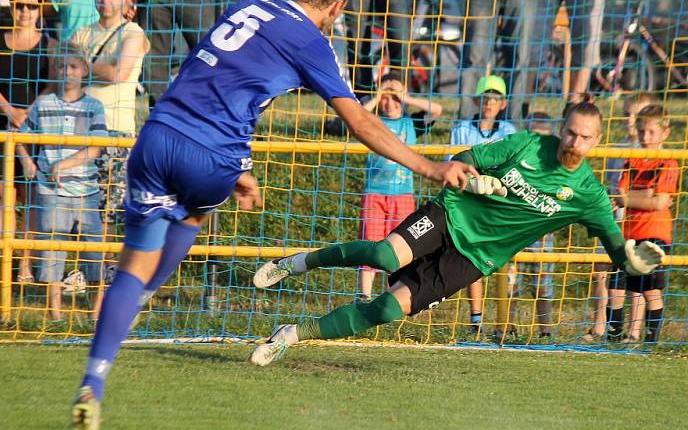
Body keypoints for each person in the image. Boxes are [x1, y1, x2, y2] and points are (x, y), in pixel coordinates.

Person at [67, 0, 477, 430]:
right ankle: (148, 291)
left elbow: (212, 77)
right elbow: (361, 123)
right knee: (191, 216)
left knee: (133, 266)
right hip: (212, 157)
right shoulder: (312, 40)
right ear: (336, 6)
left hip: (155, 137)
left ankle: (94, 382)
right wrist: (431, 168)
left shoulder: (248, 6)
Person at [250, 102, 667, 365]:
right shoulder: (527, 145)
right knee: (382, 256)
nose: (575, 141)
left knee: (387, 311)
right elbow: (466, 157)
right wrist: (473, 177)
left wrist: (631, 260)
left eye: (585, 137)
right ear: (562, 128)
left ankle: (291, 335)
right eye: (571, 131)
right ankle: (298, 262)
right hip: (450, 215)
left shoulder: (589, 195)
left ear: (597, 142)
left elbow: (616, 249)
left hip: (473, 259)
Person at [70, 0, 150, 286]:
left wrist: (83, 66)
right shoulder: (82, 32)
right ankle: (87, 268)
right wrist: (88, 68)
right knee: (77, 204)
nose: (106, 0)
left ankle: (105, 270)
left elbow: (120, 71)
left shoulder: (133, 33)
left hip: (116, 132)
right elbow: (63, 71)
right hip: (78, 129)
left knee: (109, 210)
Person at [16, 45, 108, 323]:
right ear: (54, 71)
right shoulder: (44, 105)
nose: (67, 72)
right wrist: (27, 162)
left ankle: (96, 315)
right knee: (52, 254)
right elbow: (20, 135)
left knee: (94, 255)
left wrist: (63, 165)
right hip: (50, 192)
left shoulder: (93, 106)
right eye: (61, 67)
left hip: (86, 191)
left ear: (84, 70)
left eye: (73, 67)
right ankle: (54, 315)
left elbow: (96, 148)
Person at [0, 0, 58, 283]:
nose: (24, 12)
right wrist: (8, 110)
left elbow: (53, 85)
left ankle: (25, 264)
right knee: (3, 193)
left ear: (39, 9)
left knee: (29, 195)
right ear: (12, 7)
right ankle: (4, 262)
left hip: (33, 126)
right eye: (19, 6)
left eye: (30, 6)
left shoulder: (49, 44)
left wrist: (28, 113)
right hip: (1, 122)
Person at [358, 72, 442, 300]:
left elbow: (437, 110)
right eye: (386, 96)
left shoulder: (411, 122)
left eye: (395, 96)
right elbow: (357, 116)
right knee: (371, 244)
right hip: (375, 193)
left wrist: (406, 96)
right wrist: (378, 95)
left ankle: (393, 296)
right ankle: (363, 297)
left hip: (402, 195)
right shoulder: (373, 122)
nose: (390, 101)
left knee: (401, 247)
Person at [583, 92, 657, 342]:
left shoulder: (652, 153)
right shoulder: (618, 147)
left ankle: (634, 331)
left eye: (638, 115)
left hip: (637, 219)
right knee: (602, 270)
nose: (631, 120)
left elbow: (650, 191)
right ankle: (601, 326)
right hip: (613, 213)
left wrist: (627, 198)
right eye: (627, 114)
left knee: (636, 271)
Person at [449, 75, 517, 333]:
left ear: (503, 103)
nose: (489, 103)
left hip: (500, 203)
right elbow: (452, 165)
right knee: (472, 260)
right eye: (485, 98)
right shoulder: (462, 130)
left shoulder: (509, 132)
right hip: (471, 201)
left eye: (495, 98)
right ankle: (476, 320)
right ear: (479, 100)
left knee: (506, 264)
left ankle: (505, 321)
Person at [606, 105, 677, 343]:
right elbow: (620, 192)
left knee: (649, 288)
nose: (645, 137)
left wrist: (628, 198)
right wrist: (643, 195)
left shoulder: (668, 163)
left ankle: (651, 340)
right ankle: (614, 334)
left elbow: (659, 202)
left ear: (664, 133)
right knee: (616, 281)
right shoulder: (632, 159)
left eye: (651, 132)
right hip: (629, 232)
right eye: (641, 131)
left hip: (656, 234)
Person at [507, 112, 556, 340]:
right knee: (511, 281)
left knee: (542, 285)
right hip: (516, 231)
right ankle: (507, 326)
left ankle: (545, 330)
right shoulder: (517, 161)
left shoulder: (554, 167)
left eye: (545, 137)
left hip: (542, 232)